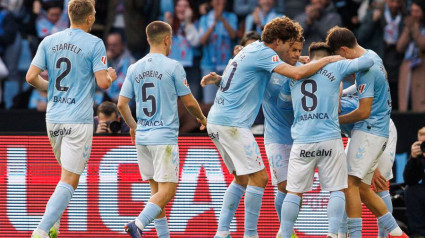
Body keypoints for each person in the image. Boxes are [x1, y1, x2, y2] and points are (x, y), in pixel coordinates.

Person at [201, 16, 344, 238]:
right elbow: (296, 73)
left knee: (240, 178)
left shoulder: (251, 50)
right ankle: (251, 234)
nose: (294, 52)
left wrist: (219, 79)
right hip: (232, 125)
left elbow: (242, 77)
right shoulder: (265, 54)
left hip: (216, 120)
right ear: (278, 42)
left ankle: (222, 232)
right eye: (291, 46)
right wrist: (328, 60)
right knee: (260, 179)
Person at [25, 1, 117, 238]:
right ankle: (41, 230)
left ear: (68, 14)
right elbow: (103, 83)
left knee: (66, 176)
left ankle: (53, 226)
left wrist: (53, 90)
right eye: (94, 14)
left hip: (53, 118)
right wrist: (111, 75)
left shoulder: (49, 41)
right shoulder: (95, 44)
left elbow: (31, 77)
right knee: (70, 179)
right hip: (78, 120)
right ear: (89, 19)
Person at [117, 21, 207, 238]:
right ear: (168, 39)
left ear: (148, 39)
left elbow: (121, 104)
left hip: (143, 137)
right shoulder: (173, 66)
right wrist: (202, 118)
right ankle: (138, 223)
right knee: (167, 191)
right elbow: (190, 102)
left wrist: (133, 126)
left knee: (156, 193)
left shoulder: (134, 67)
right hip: (164, 137)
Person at [279, 42, 373, 238]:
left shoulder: (293, 71)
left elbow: (283, 102)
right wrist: (340, 58)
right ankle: (332, 234)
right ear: (328, 56)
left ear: (309, 55)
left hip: (302, 140)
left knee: (294, 192)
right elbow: (368, 61)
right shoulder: (335, 66)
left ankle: (285, 234)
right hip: (329, 138)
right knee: (337, 189)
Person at [326, 26, 408, 238]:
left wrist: (335, 120)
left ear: (343, 50)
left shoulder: (365, 70)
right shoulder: (372, 56)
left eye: (338, 59)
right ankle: (396, 233)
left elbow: (363, 112)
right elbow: (382, 78)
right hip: (373, 131)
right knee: (359, 187)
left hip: (371, 131)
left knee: (355, 184)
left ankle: (356, 235)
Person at [338, 86, 398, 238]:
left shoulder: (344, 104)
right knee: (346, 185)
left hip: (380, 129)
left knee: (380, 185)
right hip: (357, 133)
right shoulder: (319, 110)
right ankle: (342, 234)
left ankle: (385, 236)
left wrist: (373, 167)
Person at [262, 36, 304, 238]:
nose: (297, 54)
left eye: (299, 50)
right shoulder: (268, 70)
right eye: (294, 50)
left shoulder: (303, 70)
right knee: (283, 186)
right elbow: (282, 105)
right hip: (275, 138)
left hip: (300, 138)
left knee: (296, 191)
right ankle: (285, 232)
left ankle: (287, 230)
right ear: (284, 48)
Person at [357, 0, 406, 110]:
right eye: (392, 1)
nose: (394, 5)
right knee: (378, 98)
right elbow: (360, 36)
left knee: (395, 99)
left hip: (398, 61)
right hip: (379, 59)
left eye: (397, 2)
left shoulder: (404, 15)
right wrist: (373, 21)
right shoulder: (375, 12)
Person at [199, 0, 237, 104]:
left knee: (227, 101)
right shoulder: (204, 19)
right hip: (208, 65)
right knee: (210, 101)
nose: (219, 2)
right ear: (211, 3)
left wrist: (222, 19)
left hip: (227, 65)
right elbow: (202, 40)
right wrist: (214, 23)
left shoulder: (231, 17)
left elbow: (233, 35)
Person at [167, 0, 202, 100]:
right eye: (179, 6)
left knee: (193, 100)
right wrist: (168, 27)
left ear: (191, 9)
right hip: (173, 69)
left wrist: (188, 22)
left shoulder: (196, 23)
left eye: (185, 6)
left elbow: (195, 42)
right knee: (172, 102)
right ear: (175, 8)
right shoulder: (168, 23)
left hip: (192, 68)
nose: (182, 9)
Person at [396, 0, 425, 112]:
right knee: (405, 104)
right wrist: (408, 29)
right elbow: (400, 47)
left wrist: (413, 28)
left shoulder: (416, 26)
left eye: (417, 11)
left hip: (421, 68)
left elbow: (422, 44)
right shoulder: (410, 25)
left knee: (420, 105)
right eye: (412, 11)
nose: (414, 14)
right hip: (407, 67)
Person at [403, 126, 425, 237]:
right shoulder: (420, 155)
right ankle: (418, 234)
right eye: (421, 136)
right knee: (410, 190)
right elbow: (409, 180)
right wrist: (413, 158)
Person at [105, 32, 135, 102]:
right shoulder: (106, 60)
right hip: (108, 100)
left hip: (125, 102)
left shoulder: (131, 63)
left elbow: (130, 89)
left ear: (123, 45)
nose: (111, 48)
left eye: (114, 45)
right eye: (109, 45)